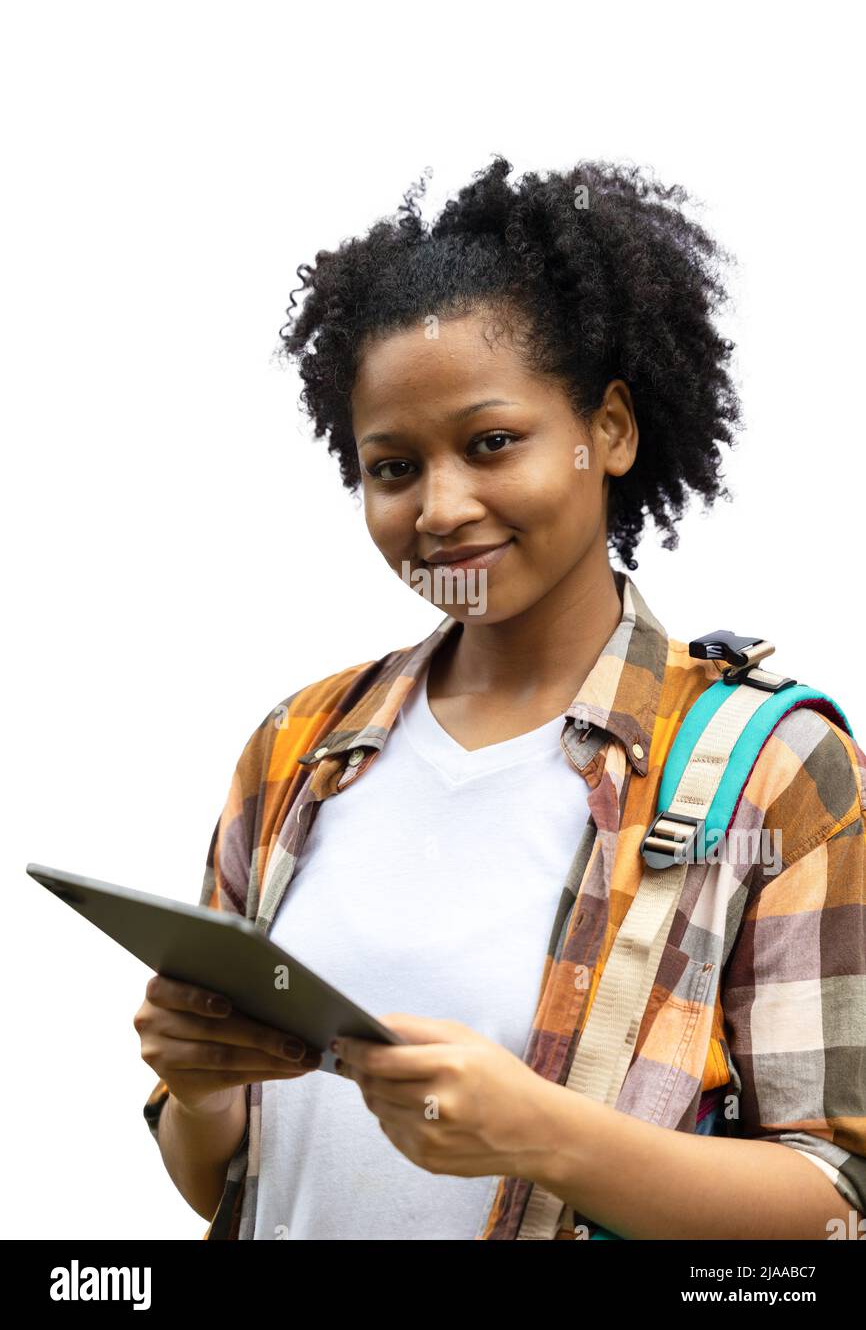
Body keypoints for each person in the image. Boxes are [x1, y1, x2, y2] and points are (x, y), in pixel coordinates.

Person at [135, 156, 866, 1241]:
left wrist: (541, 1133)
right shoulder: (299, 750)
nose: (439, 507)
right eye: (391, 467)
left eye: (490, 444)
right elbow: (227, 1183)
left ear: (607, 431)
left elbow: (832, 1208)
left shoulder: (766, 769)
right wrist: (197, 1088)